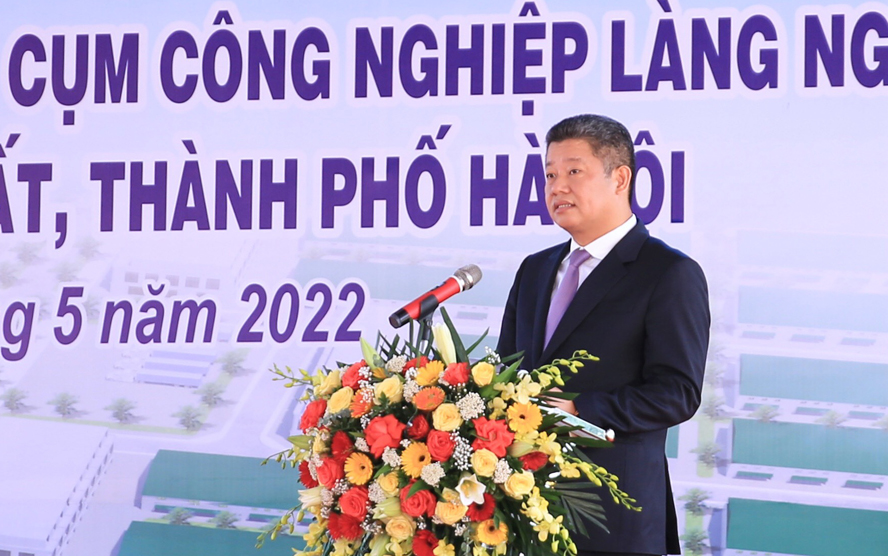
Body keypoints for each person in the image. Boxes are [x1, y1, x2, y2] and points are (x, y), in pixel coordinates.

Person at [497, 114, 710, 556]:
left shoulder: (668, 273)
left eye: (574, 171)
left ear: (620, 178)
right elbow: (506, 373)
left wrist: (580, 410)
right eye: (550, 175)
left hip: (614, 520)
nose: (557, 187)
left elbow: (677, 393)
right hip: (525, 514)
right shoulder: (534, 270)